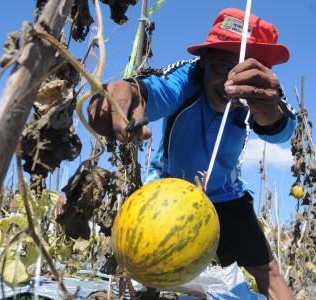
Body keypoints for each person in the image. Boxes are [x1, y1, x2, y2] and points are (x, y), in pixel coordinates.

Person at [89, 7, 295, 300]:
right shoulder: (187, 76)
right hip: (170, 190)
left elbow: (284, 127)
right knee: (144, 266)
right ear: (204, 62)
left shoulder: (262, 94)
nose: (228, 83)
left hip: (227, 195)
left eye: (242, 71)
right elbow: (155, 90)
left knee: (268, 271)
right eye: (222, 66)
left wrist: (268, 110)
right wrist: (130, 94)